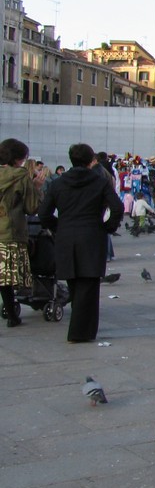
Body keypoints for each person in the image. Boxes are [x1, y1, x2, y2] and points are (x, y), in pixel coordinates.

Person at [37, 143, 123, 343]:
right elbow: (117, 208)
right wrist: (107, 227)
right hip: (92, 235)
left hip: (67, 236)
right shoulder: (99, 182)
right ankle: (81, 331)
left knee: (75, 283)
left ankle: (81, 329)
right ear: (90, 160)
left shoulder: (59, 183)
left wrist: (58, 227)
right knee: (89, 285)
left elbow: (43, 213)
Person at [0, 138, 40, 329]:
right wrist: (37, 189)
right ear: (17, 159)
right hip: (10, 231)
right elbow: (31, 208)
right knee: (8, 275)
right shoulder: (20, 176)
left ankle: (9, 309)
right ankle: (11, 314)